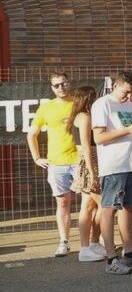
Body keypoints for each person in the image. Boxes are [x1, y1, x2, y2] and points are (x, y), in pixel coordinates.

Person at [91, 71, 132, 274]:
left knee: (130, 207)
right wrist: (128, 130)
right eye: (125, 92)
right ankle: (111, 259)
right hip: (115, 164)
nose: (128, 96)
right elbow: (99, 137)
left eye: (131, 92)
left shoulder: (130, 105)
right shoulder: (103, 104)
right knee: (109, 208)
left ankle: (130, 253)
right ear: (116, 86)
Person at [26, 72, 80, 258]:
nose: (61, 87)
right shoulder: (46, 107)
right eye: (57, 85)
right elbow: (31, 134)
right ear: (52, 88)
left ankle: (93, 242)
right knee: (63, 203)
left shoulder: (79, 103)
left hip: (80, 160)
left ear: (69, 83)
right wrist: (37, 158)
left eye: (64, 83)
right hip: (57, 162)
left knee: (91, 203)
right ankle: (64, 242)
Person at [66, 85, 107, 262]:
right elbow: (85, 145)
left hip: (93, 161)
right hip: (90, 162)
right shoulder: (84, 117)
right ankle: (85, 247)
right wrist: (92, 173)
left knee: (91, 205)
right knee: (103, 205)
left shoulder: (81, 116)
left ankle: (93, 243)